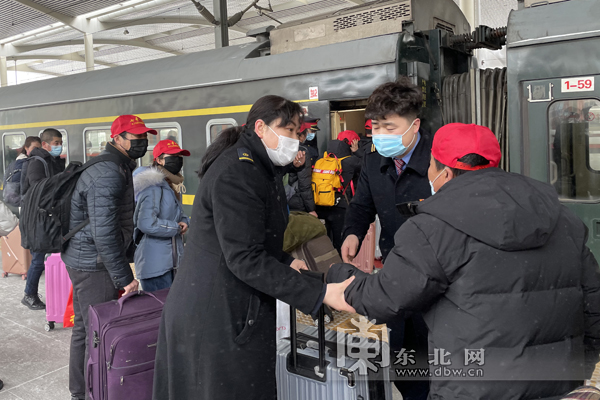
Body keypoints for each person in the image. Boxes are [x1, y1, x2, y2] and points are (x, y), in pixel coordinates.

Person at [328, 123, 600, 400]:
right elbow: (593, 305)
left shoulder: (432, 228)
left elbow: (386, 298)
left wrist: (339, 276)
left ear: (443, 172)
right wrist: (579, 366)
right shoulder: (562, 218)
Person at [152, 95, 355, 400]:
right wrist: (320, 294)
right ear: (261, 128)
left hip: (230, 305)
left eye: (298, 133)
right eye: (288, 131)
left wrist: (285, 261)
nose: (295, 140)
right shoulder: (238, 171)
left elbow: (249, 236)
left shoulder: (260, 166)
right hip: (215, 315)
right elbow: (244, 257)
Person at [339, 78, 433, 399]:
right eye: (375, 127)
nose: (381, 136)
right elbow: (362, 204)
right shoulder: (373, 161)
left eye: (390, 128)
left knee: (429, 359)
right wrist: (353, 232)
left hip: (436, 280)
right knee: (400, 357)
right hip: (394, 273)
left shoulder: (437, 161)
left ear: (414, 124)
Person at [61, 115, 155, 400]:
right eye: (134, 138)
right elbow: (104, 233)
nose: (141, 143)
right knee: (97, 332)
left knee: (85, 328)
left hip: (84, 258)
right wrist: (124, 278)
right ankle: (93, 392)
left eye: (144, 138)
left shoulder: (115, 166)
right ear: (116, 139)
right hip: (93, 264)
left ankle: (81, 390)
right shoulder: (108, 173)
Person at [132, 139, 191, 291]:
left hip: (170, 261)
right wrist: (176, 228)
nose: (177, 160)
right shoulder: (152, 186)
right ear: (158, 160)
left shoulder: (169, 185)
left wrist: (184, 222)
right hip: (155, 264)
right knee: (160, 312)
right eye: (172, 157)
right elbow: (146, 223)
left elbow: (176, 215)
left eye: (179, 157)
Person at [21, 129, 65, 311]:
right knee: (38, 257)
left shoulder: (54, 161)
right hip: (38, 218)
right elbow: (38, 188)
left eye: (60, 142)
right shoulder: (37, 162)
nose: (59, 146)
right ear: (45, 144)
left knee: (52, 255)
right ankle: (29, 294)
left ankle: (60, 294)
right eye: (55, 143)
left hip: (50, 215)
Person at [316, 130, 362, 253]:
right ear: (352, 143)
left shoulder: (322, 157)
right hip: (340, 207)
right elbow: (369, 166)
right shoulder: (352, 161)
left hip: (321, 205)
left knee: (325, 240)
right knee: (340, 241)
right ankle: (340, 266)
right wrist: (357, 151)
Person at [285, 129, 317, 216]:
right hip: (297, 198)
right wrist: (311, 209)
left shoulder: (283, 148)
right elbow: (304, 182)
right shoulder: (302, 151)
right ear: (301, 135)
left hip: (284, 196)